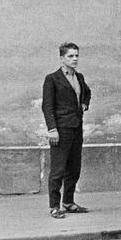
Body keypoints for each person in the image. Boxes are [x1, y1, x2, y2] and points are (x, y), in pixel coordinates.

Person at [42, 42, 92, 218]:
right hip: (61, 129)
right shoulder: (52, 79)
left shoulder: (79, 77)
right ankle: (54, 206)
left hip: (76, 128)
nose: (75, 59)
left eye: (76, 55)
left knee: (74, 168)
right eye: (70, 56)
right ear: (62, 58)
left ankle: (68, 202)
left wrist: (84, 104)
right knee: (58, 169)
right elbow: (47, 106)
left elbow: (87, 92)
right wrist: (52, 129)